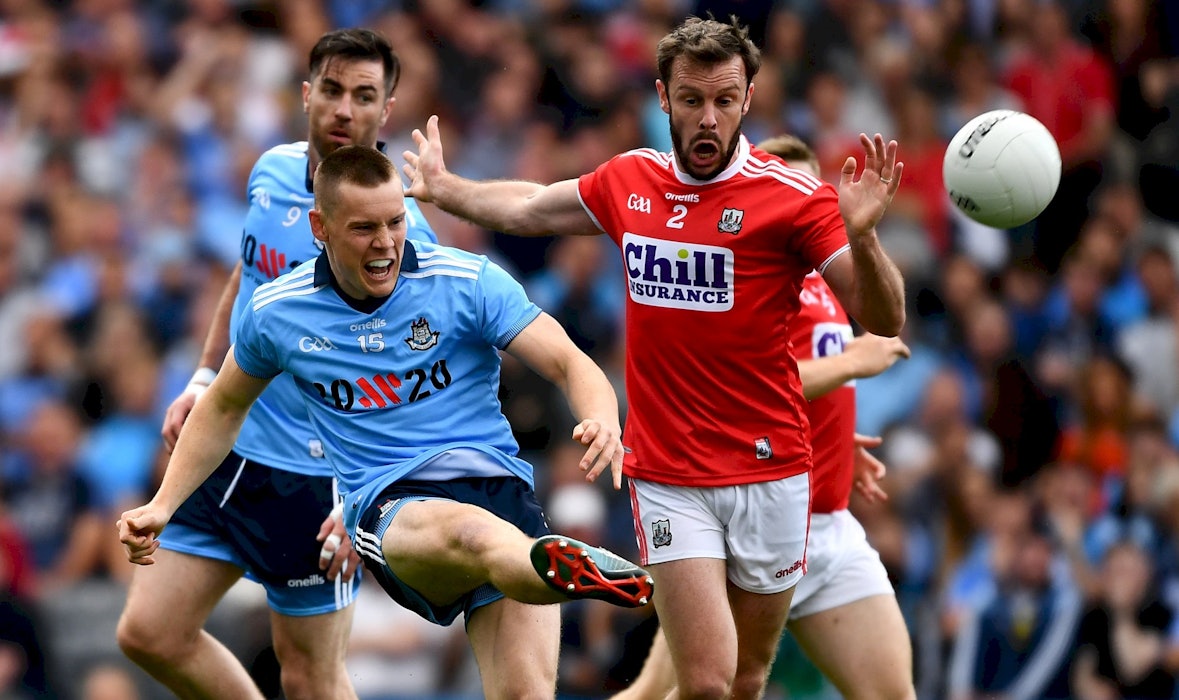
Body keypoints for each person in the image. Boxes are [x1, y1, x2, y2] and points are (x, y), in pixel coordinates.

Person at [404, 15, 907, 699]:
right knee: (703, 683)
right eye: (692, 99)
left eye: (724, 101)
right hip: (669, 473)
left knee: (746, 679)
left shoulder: (791, 199)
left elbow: (882, 318)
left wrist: (865, 238)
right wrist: (447, 188)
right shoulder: (630, 180)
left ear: (747, 99)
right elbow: (531, 205)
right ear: (663, 97)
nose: (708, 118)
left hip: (770, 471)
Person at [118, 145, 655, 700]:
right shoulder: (279, 312)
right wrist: (162, 504)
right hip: (392, 506)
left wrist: (602, 419)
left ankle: (561, 567)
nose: (385, 242)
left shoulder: (466, 281)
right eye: (364, 228)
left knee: (525, 694)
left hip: (500, 488)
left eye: (396, 221)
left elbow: (570, 361)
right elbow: (223, 410)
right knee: (474, 536)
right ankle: (556, 566)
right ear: (320, 227)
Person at [115, 29, 439, 700]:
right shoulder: (270, 172)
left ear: (387, 109)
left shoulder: (399, 229)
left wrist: (369, 499)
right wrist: (204, 377)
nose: (344, 110)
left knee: (311, 676)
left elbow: (424, 382)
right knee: (149, 633)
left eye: (364, 96)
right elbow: (245, 278)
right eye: (332, 91)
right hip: (223, 448)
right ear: (306, 95)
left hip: (313, 484)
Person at [612, 135, 917, 700]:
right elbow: (749, 391)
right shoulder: (749, 286)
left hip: (823, 525)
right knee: (683, 692)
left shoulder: (827, 284)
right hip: (739, 519)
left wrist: (837, 439)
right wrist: (852, 361)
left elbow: (795, 387)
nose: (800, 210)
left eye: (814, 195)